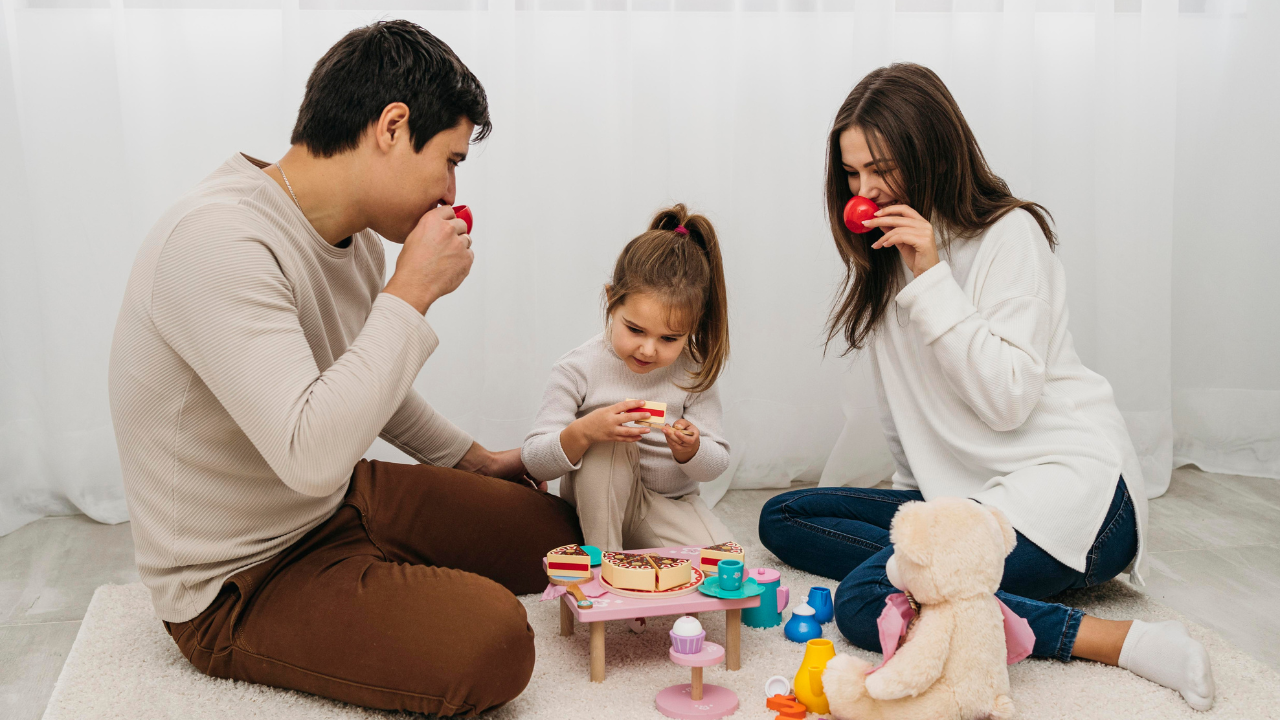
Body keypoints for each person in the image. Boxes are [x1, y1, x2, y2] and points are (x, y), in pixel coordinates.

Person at [107, 20, 581, 716]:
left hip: (335, 501)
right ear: (392, 126)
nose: (451, 193)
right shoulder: (217, 242)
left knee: (558, 537)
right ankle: (368, 593)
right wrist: (412, 292)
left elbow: (362, 381)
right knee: (495, 642)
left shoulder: (353, 237)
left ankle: (378, 577)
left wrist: (474, 462)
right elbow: (308, 454)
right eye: (449, 159)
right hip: (241, 580)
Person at [757, 63, 1215, 711]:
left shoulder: (1009, 236)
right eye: (853, 174)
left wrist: (932, 275)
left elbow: (1007, 402)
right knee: (786, 516)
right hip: (969, 496)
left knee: (865, 601)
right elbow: (906, 415)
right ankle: (951, 575)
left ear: (931, 151)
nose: (865, 190)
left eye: (880, 169)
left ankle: (1115, 639)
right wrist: (917, 521)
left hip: (1073, 493)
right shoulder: (886, 259)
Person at [522, 204, 734, 552]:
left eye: (669, 339)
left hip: (668, 505)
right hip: (599, 509)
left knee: (724, 565)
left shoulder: (694, 371)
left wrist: (691, 448)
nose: (648, 350)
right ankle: (604, 559)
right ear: (611, 302)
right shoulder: (577, 368)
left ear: (691, 329)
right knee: (609, 439)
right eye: (635, 330)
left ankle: (632, 550)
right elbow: (535, 461)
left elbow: (715, 465)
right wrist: (585, 431)